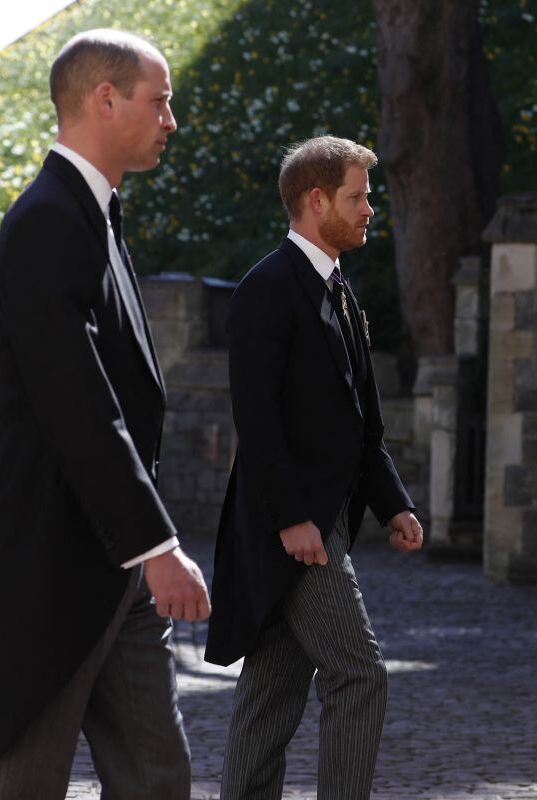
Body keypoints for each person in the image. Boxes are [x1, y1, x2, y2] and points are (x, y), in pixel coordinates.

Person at [0, 28, 209, 799]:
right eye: (160, 101)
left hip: (114, 565)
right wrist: (156, 544)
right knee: (25, 782)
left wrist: (143, 548)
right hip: (55, 564)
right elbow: (78, 404)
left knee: (158, 777)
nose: (171, 120)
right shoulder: (48, 222)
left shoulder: (93, 214)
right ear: (105, 99)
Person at [204, 135, 425, 800]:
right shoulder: (267, 289)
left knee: (271, 693)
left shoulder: (342, 293)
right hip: (295, 529)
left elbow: (362, 425)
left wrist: (394, 503)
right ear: (316, 200)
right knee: (360, 674)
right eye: (358, 197)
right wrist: (293, 518)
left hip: (324, 523)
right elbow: (258, 420)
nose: (369, 210)